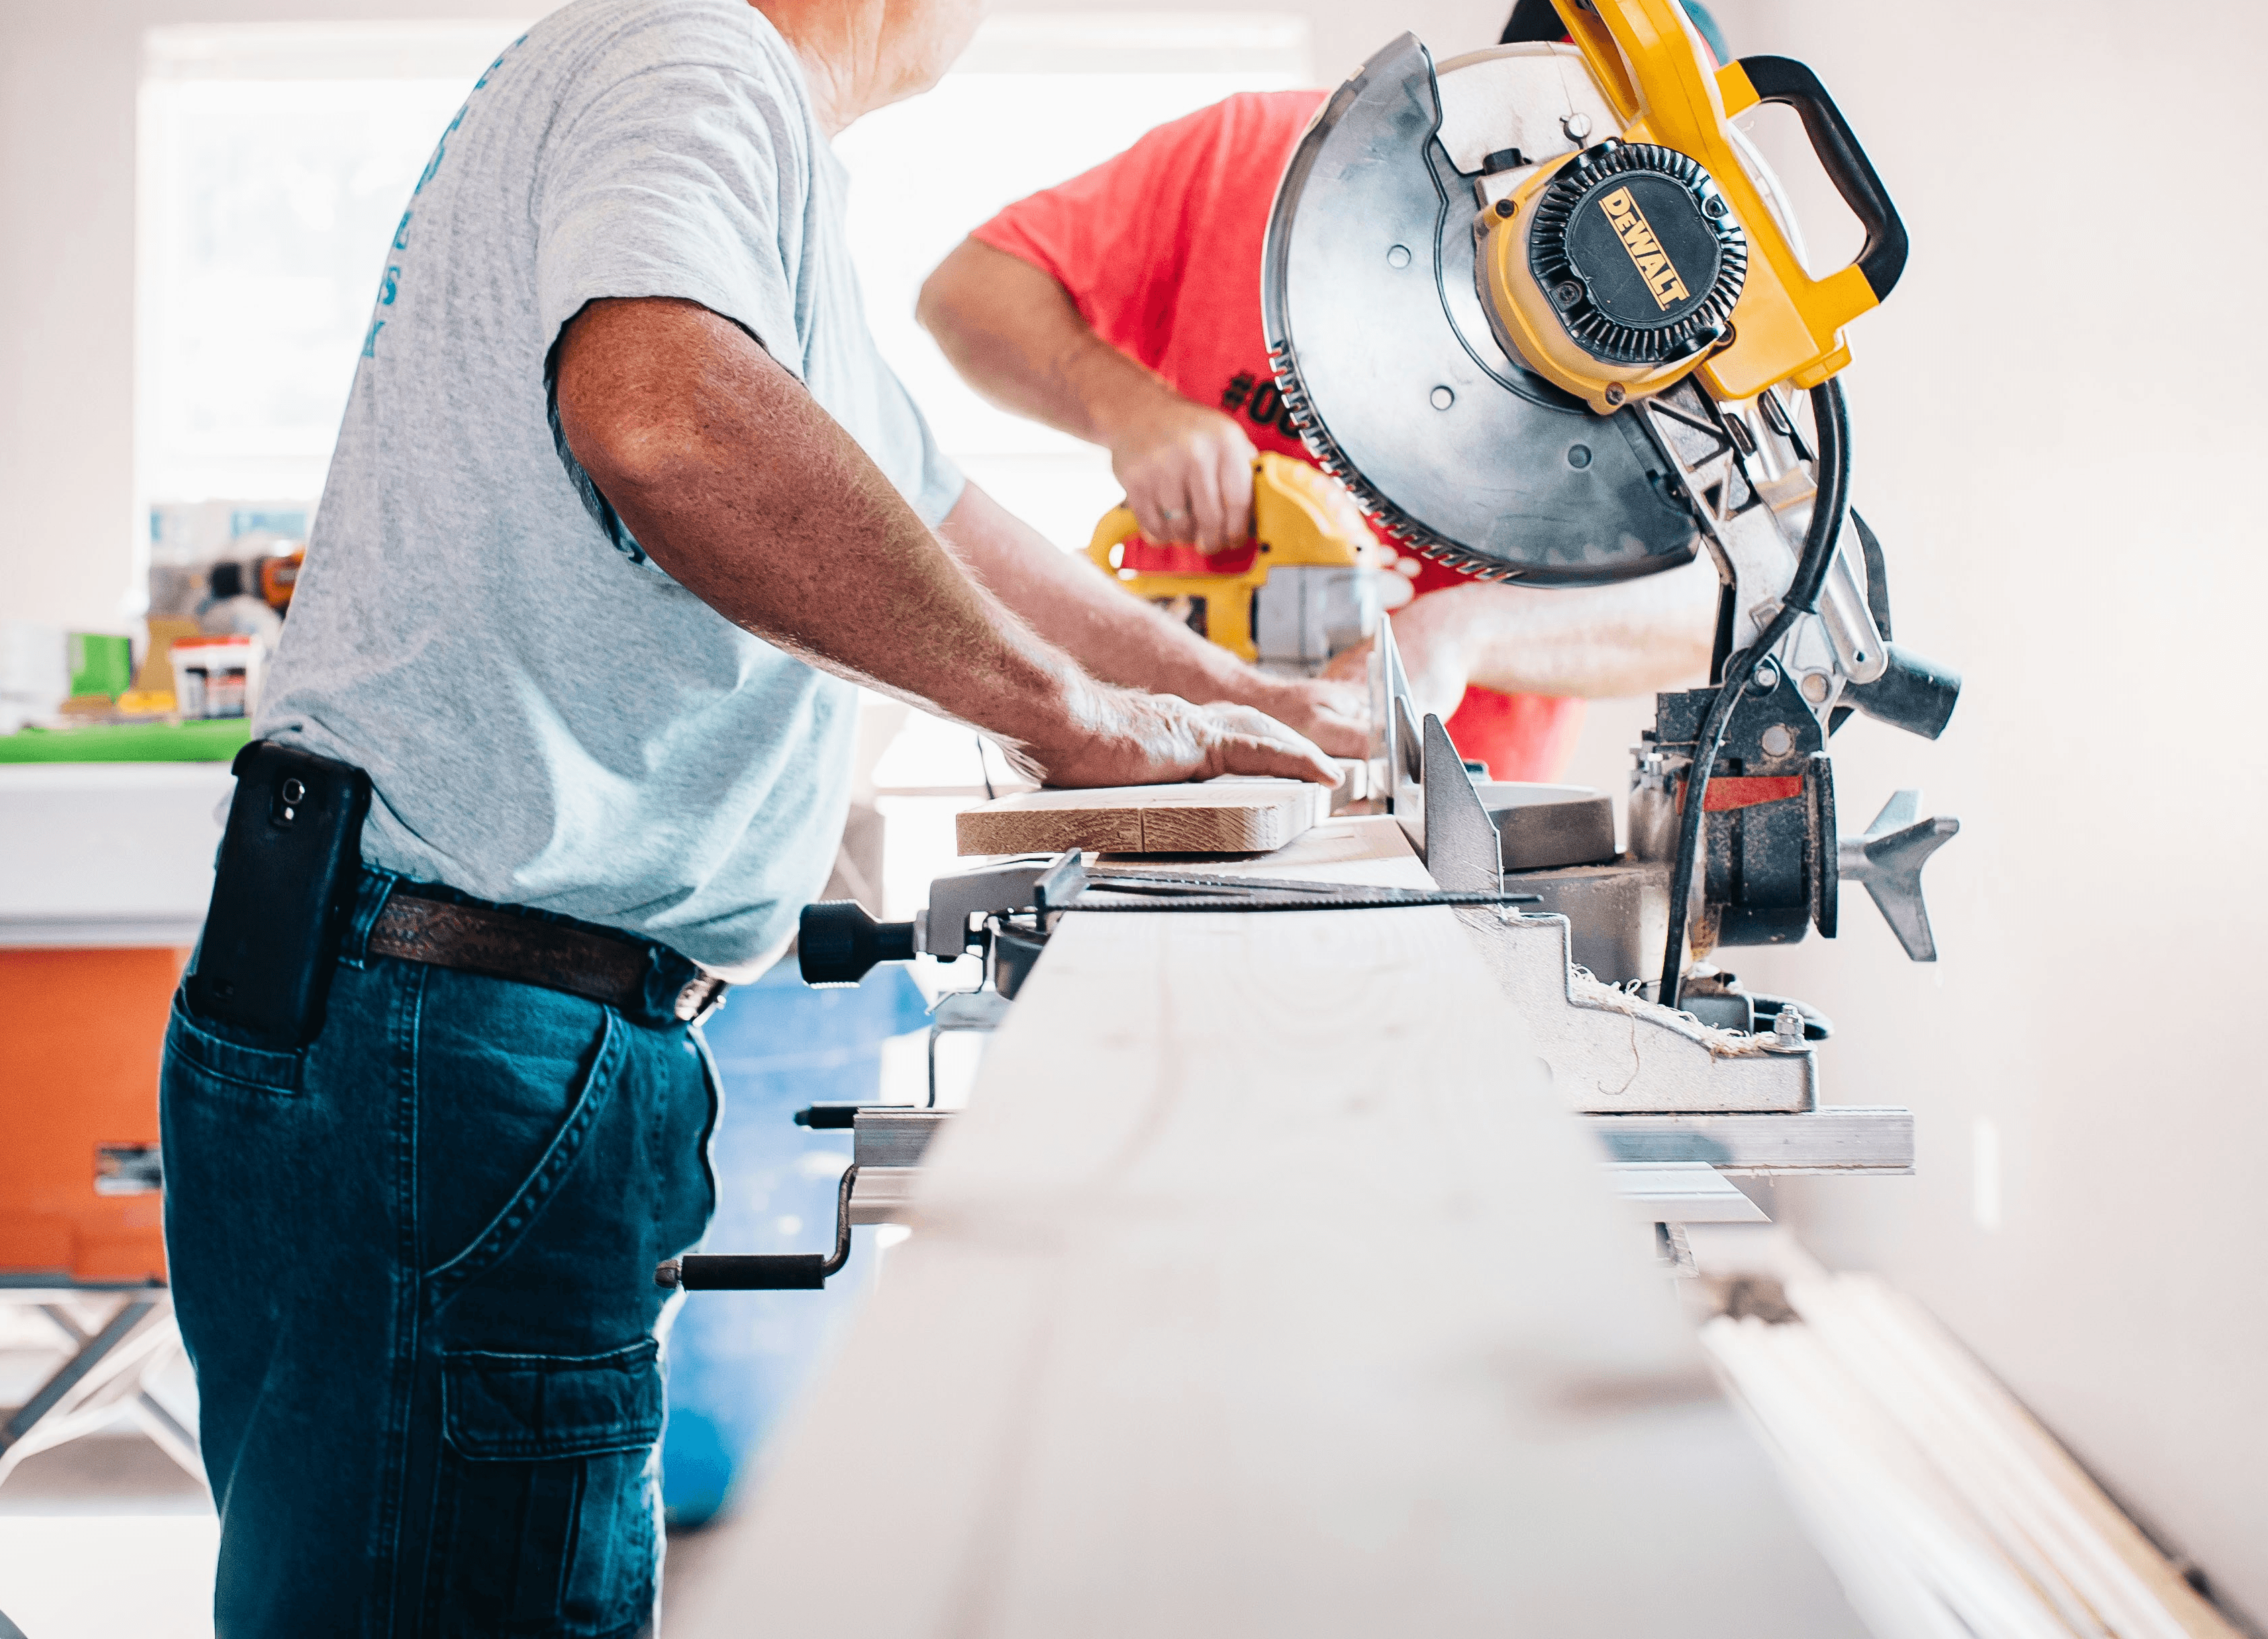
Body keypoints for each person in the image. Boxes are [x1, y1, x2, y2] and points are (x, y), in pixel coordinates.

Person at [157, 1, 1365, 1632]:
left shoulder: (716, 138)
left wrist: (1247, 710)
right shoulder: (694, 57)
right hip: (456, 1030)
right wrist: (1061, 716)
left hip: (421, 1003)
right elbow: (666, 418)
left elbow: (943, 517)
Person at [918, 2, 1730, 782]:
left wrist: (1461, 631)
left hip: (1454, 813)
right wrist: (1132, 410)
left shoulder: (1685, 335)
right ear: (1490, 90)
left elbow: (1718, 604)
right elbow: (966, 293)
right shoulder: (1258, 155)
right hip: (1171, 753)